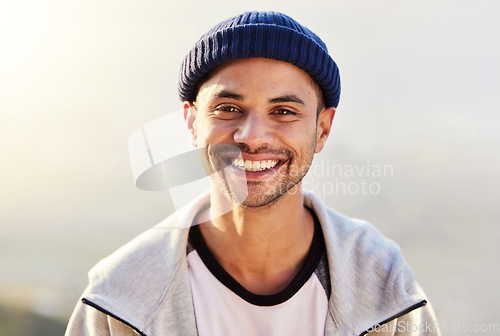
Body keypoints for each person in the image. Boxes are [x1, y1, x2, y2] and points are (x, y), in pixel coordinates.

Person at [66, 11, 441, 336]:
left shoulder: (385, 285)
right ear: (192, 122)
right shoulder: (118, 297)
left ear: (322, 129)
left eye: (283, 112)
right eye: (228, 108)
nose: (252, 137)